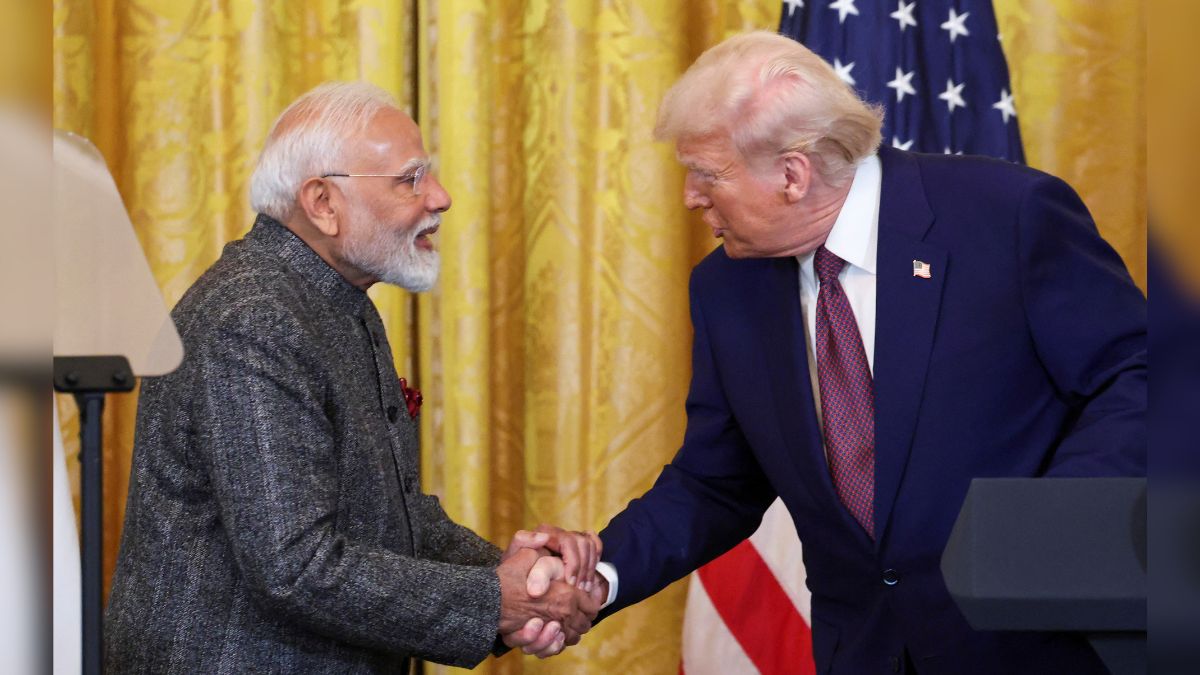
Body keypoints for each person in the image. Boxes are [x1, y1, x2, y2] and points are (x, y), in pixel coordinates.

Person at [585, 31, 1146, 674]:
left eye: (707, 174)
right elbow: (716, 481)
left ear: (792, 174)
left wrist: (1047, 524)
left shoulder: (1007, 216)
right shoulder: (726, 288)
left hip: (1032, 647)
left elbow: (1136, 375)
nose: (690, 196)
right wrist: (602, 573)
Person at [104, 81, 603, 672]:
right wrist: (499, 600)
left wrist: (506, 574)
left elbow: (391, 519)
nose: (440, 197)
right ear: (322, 202)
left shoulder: (332, 300)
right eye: (410, 178)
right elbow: (295, 564)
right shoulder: (255, 318)